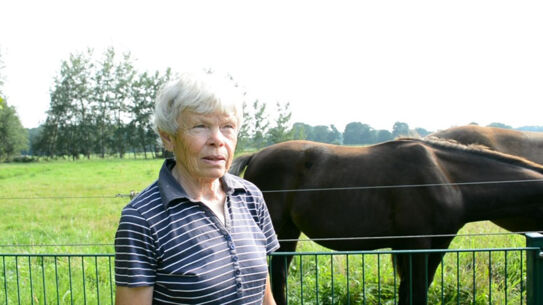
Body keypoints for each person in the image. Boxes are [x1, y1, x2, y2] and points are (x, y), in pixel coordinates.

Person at [114, 72, 279, 305]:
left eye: (227, 126)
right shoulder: (141, 220)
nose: (217, 140)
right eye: (201, 126)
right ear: (168, 138)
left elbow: (265, 295)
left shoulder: (250, 197)